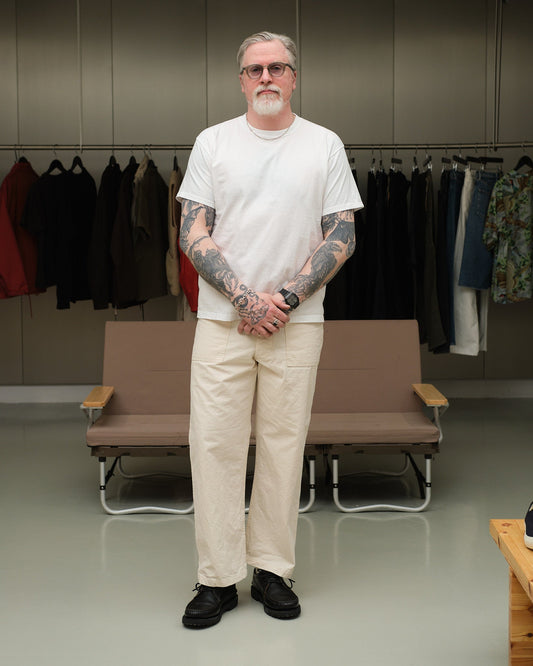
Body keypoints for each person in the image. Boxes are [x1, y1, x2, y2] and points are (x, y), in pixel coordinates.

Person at [177, 30, 363, 629]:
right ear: (241, 80)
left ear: (293, 77)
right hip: (221, 322)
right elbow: (192, 231)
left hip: (296, 321)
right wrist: (243, 298)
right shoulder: (213, 142)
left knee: (284, 446)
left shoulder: (324, 144)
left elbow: (342, 233)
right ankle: (217, 578)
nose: (266, 78)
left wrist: (281, 299)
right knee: (214, 446)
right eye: (255, 69)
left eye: (277, 67)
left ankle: (272, 570)